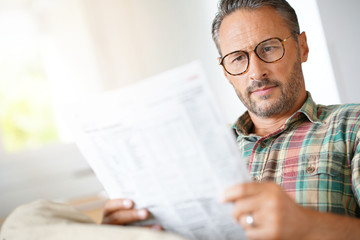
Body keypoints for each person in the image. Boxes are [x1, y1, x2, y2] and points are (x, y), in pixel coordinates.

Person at [102, 0, 360, 239]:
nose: (256, 72)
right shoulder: (200, 150)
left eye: (269, 48)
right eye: (238, 58)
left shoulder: (352, 125)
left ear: (302, 47)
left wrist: (308, 225)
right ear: (225, 70)